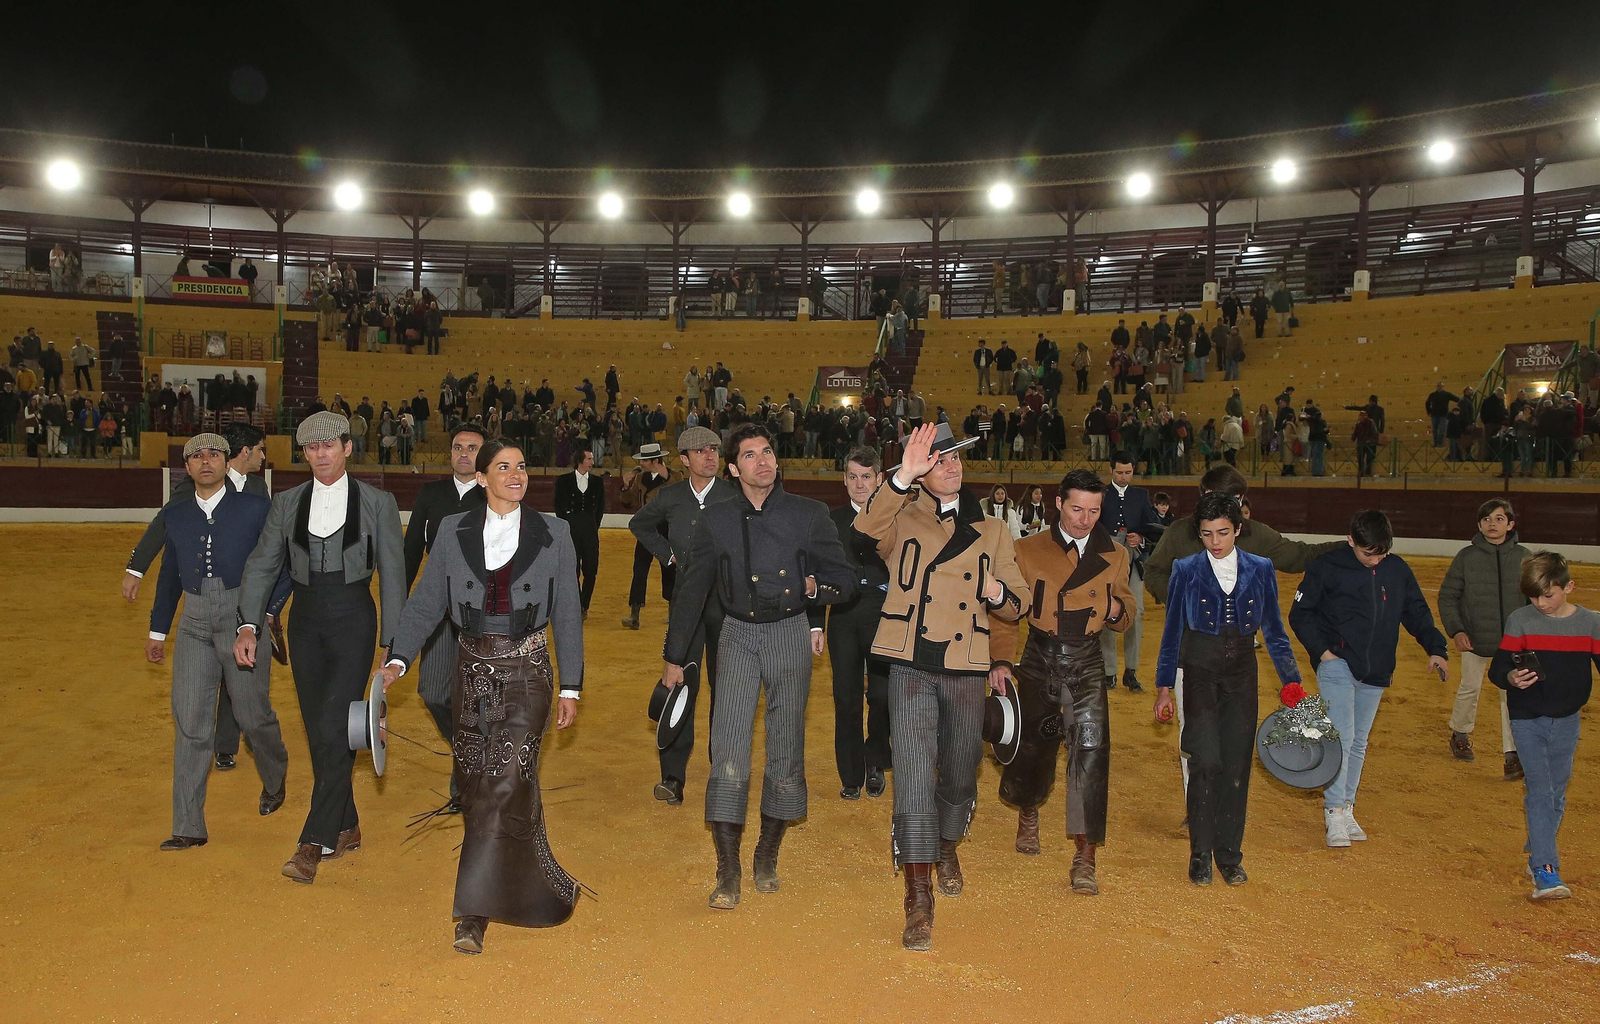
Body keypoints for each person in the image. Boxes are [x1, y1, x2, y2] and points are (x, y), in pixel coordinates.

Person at [381, 439, 585, 953]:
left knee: (502, 783)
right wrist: (400, 657)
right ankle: (527, 883)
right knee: (477, 787)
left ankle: (471, 912)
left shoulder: (554, 532)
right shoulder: (453, 531)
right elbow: (428, 600)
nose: (515, 475)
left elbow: (566, 613)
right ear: (481, 478)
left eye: (521, 466)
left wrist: (571, 684)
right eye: (503, 467)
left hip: (527, 669)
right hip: (469, 669)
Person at [660, 422, 855, 910]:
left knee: (786, 744)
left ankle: (766, 852)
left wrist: (813, 591)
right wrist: (674, 656)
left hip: (790, 632)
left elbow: (845, 580)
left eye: (767, 452)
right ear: (733, 468)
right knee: (727, 745)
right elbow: (692, 590)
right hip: (738, 634)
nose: (762, 461)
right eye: (750, 455)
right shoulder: (717, 518)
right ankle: (728, 866)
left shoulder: (808, 514)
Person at [853, 421, 1026, 951]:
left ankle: (947, 843)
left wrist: (997, 591)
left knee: (959, 770)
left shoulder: (993, 530)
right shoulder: (899, 514)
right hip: (908, 662)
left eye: (956, 459)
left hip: (967, 664)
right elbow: (860, 536)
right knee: (910, 769)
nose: (951, 467)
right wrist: (902, 474)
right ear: (925, 467)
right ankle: (918, 895)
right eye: (941, 459)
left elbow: (1019, 604)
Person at [233, 411, 406, 884]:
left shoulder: (378, 502)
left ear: (348, 449)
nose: (321, 455)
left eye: (330, 446)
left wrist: (394, 647)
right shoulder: (286, 503)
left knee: (334, 724)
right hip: (305, 620)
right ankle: (347, 825)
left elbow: (393, 574)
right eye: (312, 448)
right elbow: (262, 566)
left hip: (354, 618)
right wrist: (249, 623)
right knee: (320, 730)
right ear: (304, 453)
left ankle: (313, 839)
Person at [142, 434, 291, 851]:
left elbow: (283, 565)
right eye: (196, 456)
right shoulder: (176, 513)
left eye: (213, 454)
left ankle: (275, 774)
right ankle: (187, 825)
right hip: (192, 622)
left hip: (242, 618)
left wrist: (263, 614)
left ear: (228, 462)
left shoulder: (257, 507)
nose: (205, 461)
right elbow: (170, 571)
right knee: (190, 722)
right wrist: (158, 631)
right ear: (186, 467)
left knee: (251, 714)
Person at [990, 470, 1132, 893]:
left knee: (1091, 752)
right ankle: (1028, 810)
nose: (1085, 519)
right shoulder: (1026, 549)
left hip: (1087, 661)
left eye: (1094, 511)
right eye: (1076, 509)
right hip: (1038, 657)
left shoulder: (1116, 554)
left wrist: (1112, 609)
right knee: (1032, 746)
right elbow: (1007, 612)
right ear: (1058, 503)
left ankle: (1085, 854)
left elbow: (1126, 613)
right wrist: (1000, 660)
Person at [1154, 492, 1301, 885]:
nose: (1215, 542)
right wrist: (1165, 686)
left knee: (1236, 766)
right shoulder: (1184, 569)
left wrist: (1292, 681)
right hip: (1199, 668)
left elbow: (1274, 629)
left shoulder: (1262, 567)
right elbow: (1171, 634)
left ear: (1238, 529)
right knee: (1205, 761)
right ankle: (1200, 854)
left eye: (1222, 532)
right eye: (1206, 534)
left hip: (1242, 671)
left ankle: (1229, 855)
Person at [1290, 511, 1450, 849]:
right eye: (1368, 552)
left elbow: (1417, 612)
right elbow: (1300, 613)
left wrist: (1436, 648)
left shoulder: (1398, 569)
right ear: (1351, 541)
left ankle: (1347, 807)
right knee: (1343, 738)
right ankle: (1333, 811)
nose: (1375, 559)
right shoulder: (1327, 566)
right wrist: (1323, 652)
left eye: (1381, 552)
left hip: (1377, 668)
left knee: (1359, 741)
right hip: (1337, 664)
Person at [124, 422, 279, 767]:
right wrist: (136, 569)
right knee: (210, 683)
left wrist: (269, 607)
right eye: (260, 449)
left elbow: (270, 553)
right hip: (200, 605)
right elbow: (164, 536)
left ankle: (250, 732)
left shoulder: (256, 490)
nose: (263, 457)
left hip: (246, 604)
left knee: (245, 688)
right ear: (243, 453)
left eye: (212, 455)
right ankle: (224, 746)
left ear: (226, 459)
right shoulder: (188, 492)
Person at [628, 426, 737, 803]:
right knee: (679, 687)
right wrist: (667, 554)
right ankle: (672, 777)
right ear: (685, 459)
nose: (710, 456)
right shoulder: (670, 496)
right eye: (701, 451)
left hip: (726, 605)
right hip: (685, 606)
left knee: (727, 689)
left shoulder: (734, 496)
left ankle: (723, 772)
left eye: (714, 450)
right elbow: (638, 523)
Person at [1489, 552, 1599, 901]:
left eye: (1547, 595)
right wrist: (1511, 676)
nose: (1540, 604)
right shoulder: (1520, 619)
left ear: (1569, 587)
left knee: (1557, 793)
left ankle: (1538, 849)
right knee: (1539, 789)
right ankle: (1546, 871)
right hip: (1526, 718)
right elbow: (1497, 669)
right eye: (1533, 597)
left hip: (1568, 719)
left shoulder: (1590, 624)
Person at [403, 425, 488, 790]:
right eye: (457, 447)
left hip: (484, 613)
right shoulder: (431, 493)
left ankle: (467, 776)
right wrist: (399, 613)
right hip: (438, 608)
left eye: (472, 448)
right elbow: (409, 555)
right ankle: (470, 752)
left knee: (478, 696)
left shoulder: (495, 495)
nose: (464, 454)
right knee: (433, 692)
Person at [1440, 499, 1529, 780]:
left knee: (1512, 695)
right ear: (1479, 525)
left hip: (1515, 641)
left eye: (1500, 519)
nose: (1493, 524)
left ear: (1511, 524)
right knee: (1470, 687)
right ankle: (1461, 734)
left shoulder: (1525, 557)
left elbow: (1535, 598)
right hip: (1475, 636)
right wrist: (1457, 630)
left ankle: (1512, 753)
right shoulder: (1466, 557)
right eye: (1488, 519)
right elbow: (1448, 596)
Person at [826, 448, 893, 801]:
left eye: (866, 476)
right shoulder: (831, 520)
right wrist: (813, 625)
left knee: (882, 695)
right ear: (844, 480)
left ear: (880, 479)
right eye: (852, 476)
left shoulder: (897, 515)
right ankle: (851, 774)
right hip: (843, 614)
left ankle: (876, 761)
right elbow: (814, 572)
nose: (859, 483)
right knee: (846, 697)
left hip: (886, 612)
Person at [1099, 453, 1165, 693]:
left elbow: (1153, 526)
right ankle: (1109, 671)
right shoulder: (1101, 493)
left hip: (1132, 560)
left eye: (1128, 472)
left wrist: (1142, 538)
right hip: (1105, 561)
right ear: (1111, 470)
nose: (1124, 477)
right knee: (1107, 612)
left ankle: (1131, 671)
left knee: (1135, 614)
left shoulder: (1141, 495)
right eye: (1119, 472)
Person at [617, 441, 681, 629]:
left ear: (654, 460)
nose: (641, 463)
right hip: (646, 529)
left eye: (644, 460)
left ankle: (673, 612)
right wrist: (625, 487)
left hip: (668, 529)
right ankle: (634, 614)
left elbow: (684, 496)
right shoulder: (639, 478)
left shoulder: (675, 476)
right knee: (639, 570)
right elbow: (627, 503)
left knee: (669, 569)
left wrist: (667, 477)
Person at [550, 446, 605, 619]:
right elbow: (558, 505)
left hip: (589, 531)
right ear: (580, 460)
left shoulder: (597, 482)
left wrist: (594, 525)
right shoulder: (564, 480)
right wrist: (567, 523)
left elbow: (601, 507)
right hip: (571, 530)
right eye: (589, 459)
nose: (592, 462)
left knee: (590, 570)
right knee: (572, 570)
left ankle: (584, 605)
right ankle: (575, 604)